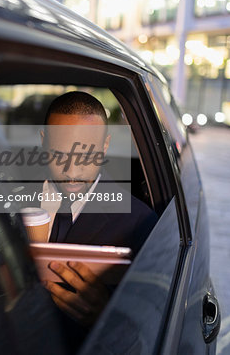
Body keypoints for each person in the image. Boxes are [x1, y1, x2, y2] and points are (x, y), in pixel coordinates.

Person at [39, 91, 157, 329]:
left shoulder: (141, 223)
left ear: (104, 146)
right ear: (44, 142)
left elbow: (150, 320)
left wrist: (108, 315)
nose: (72, 171)